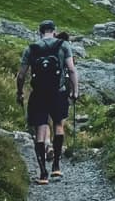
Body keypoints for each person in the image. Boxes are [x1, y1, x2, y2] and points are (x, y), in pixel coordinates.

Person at [16, 20, 79, 184]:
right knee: (58, 125)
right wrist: (75, 91)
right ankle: (56, 166)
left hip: (39, 94)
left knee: (40, 130)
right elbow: (71, 69)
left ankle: (43, 174)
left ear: (40, 32)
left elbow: (21, 75)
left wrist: (20, 92)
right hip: (58, 93)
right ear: (54, 30)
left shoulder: (31, 48)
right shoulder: (63, 45)